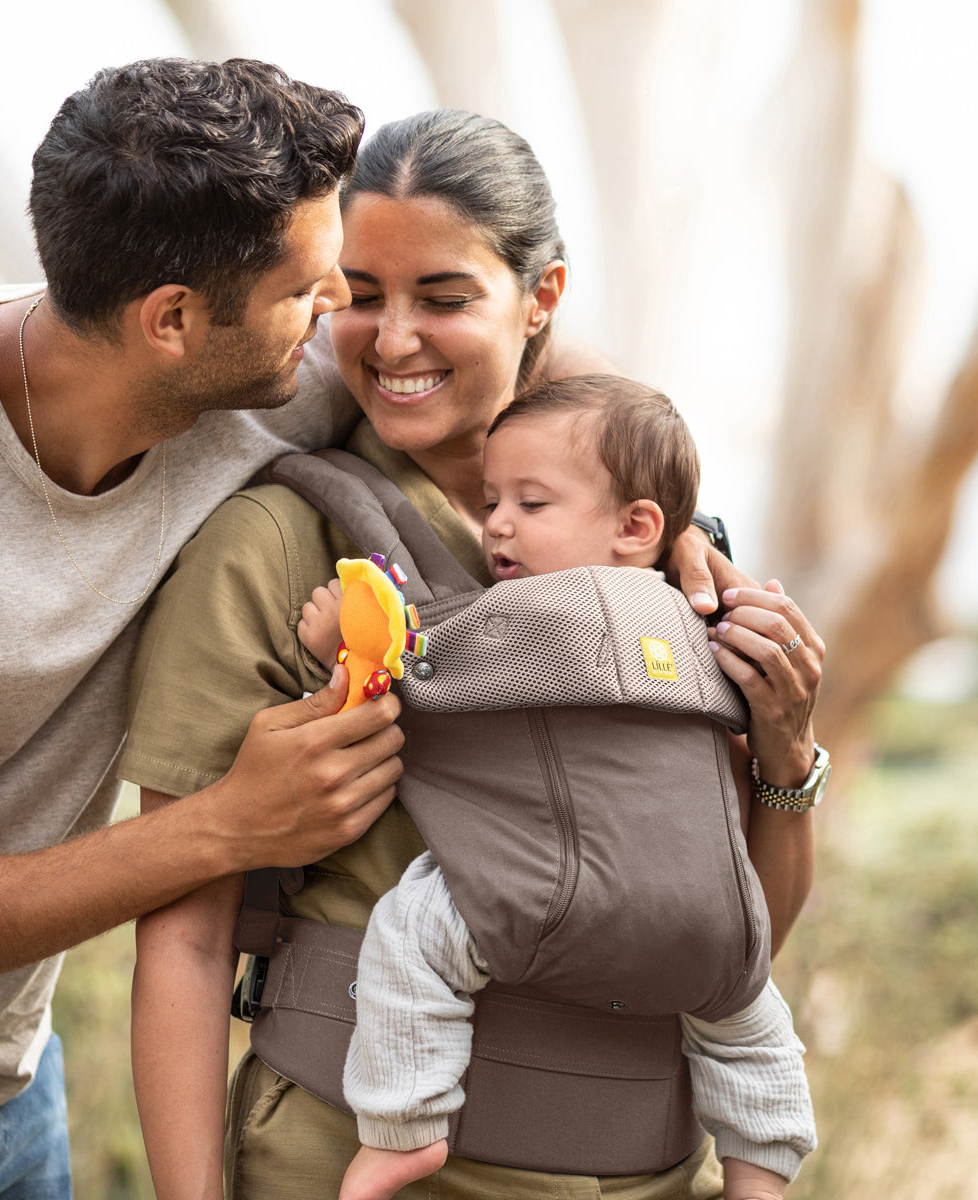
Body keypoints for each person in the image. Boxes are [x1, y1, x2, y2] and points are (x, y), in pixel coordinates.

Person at [125, 108, 825, 1200]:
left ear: (542, 297)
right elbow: (183, 939)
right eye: (360, 295)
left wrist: (786, 760)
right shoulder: (275, 544)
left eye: (444, 298)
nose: (393, 338)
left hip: (646, 1173)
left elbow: (731, 931)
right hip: (354, 1162)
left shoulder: (663, 559)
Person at [0, 58, 411, 1199]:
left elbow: (508, 347)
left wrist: (683, 524)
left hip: (18, 1084)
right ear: (172, 320)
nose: (342, 319)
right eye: (311, 290)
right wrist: (227, 828)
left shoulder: (250, 376)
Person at [295, 376, 815, 1200]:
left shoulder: (548, 609)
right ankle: (760, 1168)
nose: (496, 523)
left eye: (531, 504)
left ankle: (403, 1128)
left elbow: (424, 673)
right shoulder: (701, 621)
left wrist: (348, 637)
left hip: (550, 895)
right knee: (753, 1029)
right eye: (492, 499)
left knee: (411, 929)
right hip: (712, 917)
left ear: (637, 526)